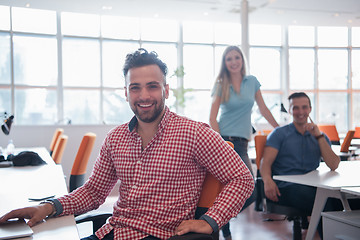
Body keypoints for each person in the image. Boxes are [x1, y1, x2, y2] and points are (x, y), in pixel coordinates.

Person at [0, 48, 255, 240]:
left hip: (158, 236)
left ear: (166, 89)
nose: (144, 96)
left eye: (152, 87)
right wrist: (47, 207)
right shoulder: (116, 138)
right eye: (135, 88)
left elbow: (242, 179)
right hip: (112, 232)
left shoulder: (195, 133)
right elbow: (93, 192)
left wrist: (211, 220)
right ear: (126, 92)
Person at [209, 45, 279, 240]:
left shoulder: (252, 82)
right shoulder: (221, 84)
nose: (233, 62)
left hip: (242, 144)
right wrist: (219, 143)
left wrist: (278, 128)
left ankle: (220, 220)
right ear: (225, 63)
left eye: (236, 58)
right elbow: (212, 117)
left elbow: (263, 109)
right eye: (229, 59)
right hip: (225, 142)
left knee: (251, 192)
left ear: (242, 60)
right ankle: (223, 226)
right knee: (228, 188)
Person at [260, 92, 341, 238]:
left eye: (304, 107)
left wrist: (318, 136)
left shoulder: (319, 136)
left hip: (312, 185)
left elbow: (334, 164)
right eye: (295, 108)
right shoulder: (279, 134)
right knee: (324, 202)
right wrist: (267, 181)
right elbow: (265, 162)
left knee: (343, 201)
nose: (300, 112)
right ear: (290, 110)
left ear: (310, 109)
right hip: (286, 187)